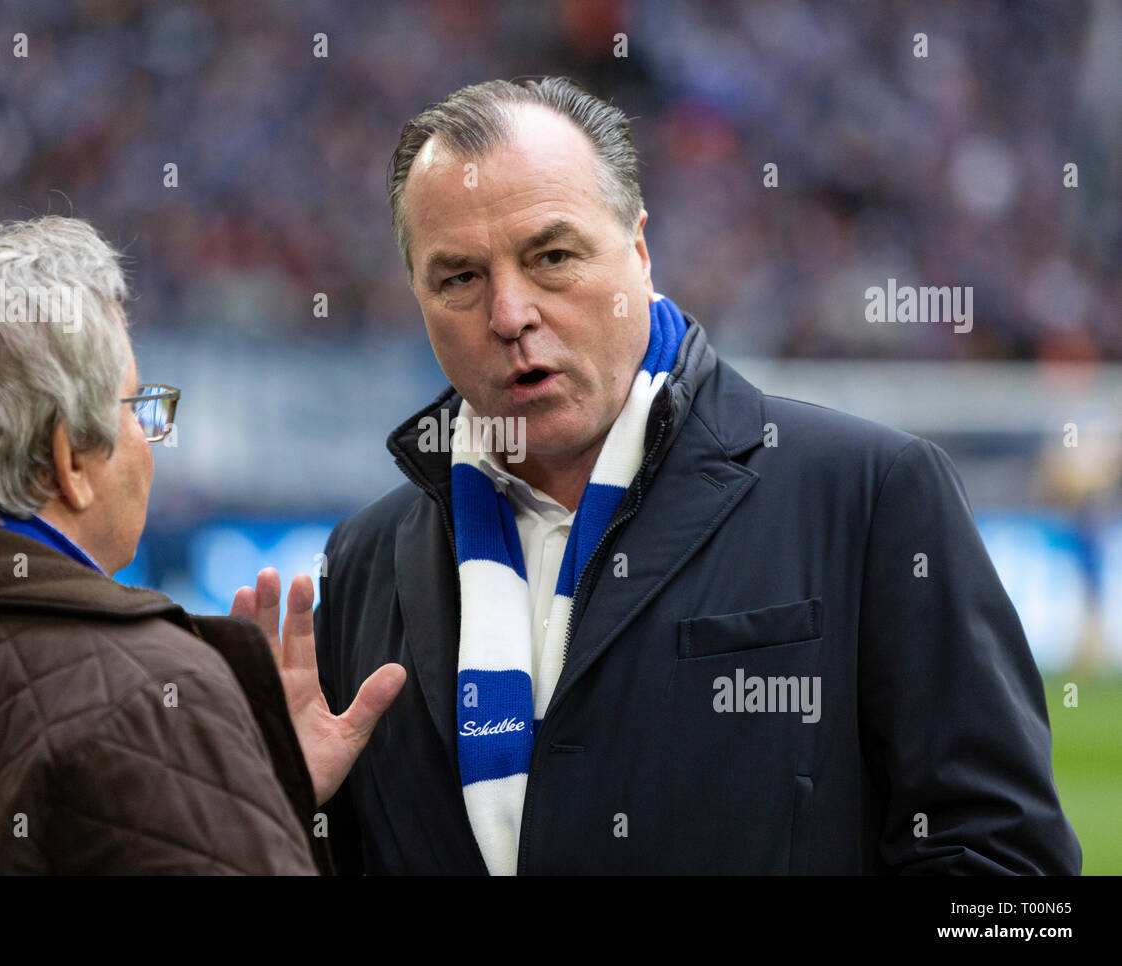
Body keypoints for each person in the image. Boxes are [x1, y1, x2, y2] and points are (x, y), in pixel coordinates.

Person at [311, 77, 1082, 874]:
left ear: (640, 254)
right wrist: (276, 823)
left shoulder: (868, 495)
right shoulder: (366, 564)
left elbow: (1010, 881)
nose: (509, 314)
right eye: (459, 279)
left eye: (552, 257)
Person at [0, 217, 404, 874]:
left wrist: (251, 790)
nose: (149, 439)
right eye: (135, 409)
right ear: (69, 460)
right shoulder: (148, 695)